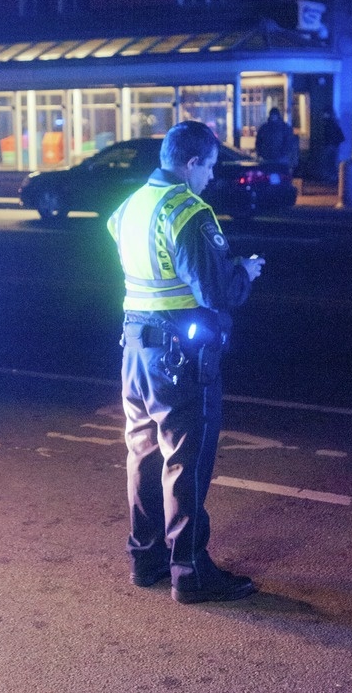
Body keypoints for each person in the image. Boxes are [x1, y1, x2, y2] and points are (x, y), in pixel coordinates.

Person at [107, 120, 265, 605]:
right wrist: (244, 271)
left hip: (134, 349)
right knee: (186, 462)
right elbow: (215, 292)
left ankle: (146, 558)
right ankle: (191, 571)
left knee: (143, 455)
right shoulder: (187, 210)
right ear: (191, 162)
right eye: (209, 168)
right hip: (180, 357)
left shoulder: (129, 207)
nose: (211, 179)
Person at [321, 107, 345, 184]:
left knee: (328, 162)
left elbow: (327, 135)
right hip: (335, 146)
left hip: (329, 146)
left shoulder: (328, 123)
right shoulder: (335, 123)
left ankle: (330, 178)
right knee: (333, 163)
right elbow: (341, 136)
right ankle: (334, 178)